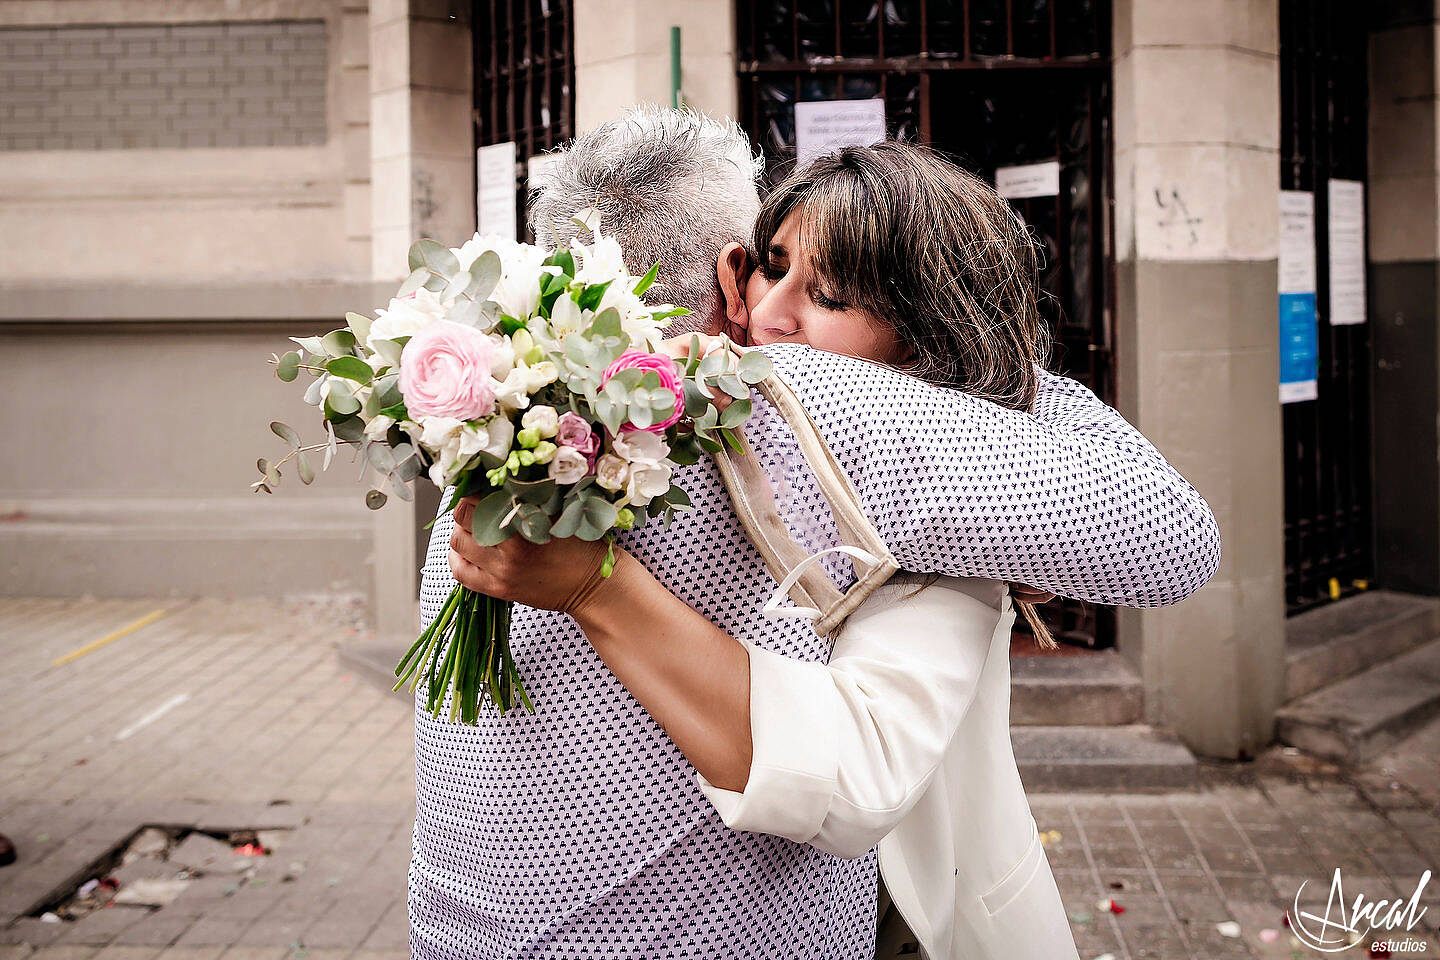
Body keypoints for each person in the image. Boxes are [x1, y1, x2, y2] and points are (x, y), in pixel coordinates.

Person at [410, 107, 1220, 959]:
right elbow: (1171, 538)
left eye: (829, 290)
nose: (775, 314)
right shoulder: (795, 406)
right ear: (733, 274)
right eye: (772, 264)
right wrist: (996, 379)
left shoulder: (500, 426)